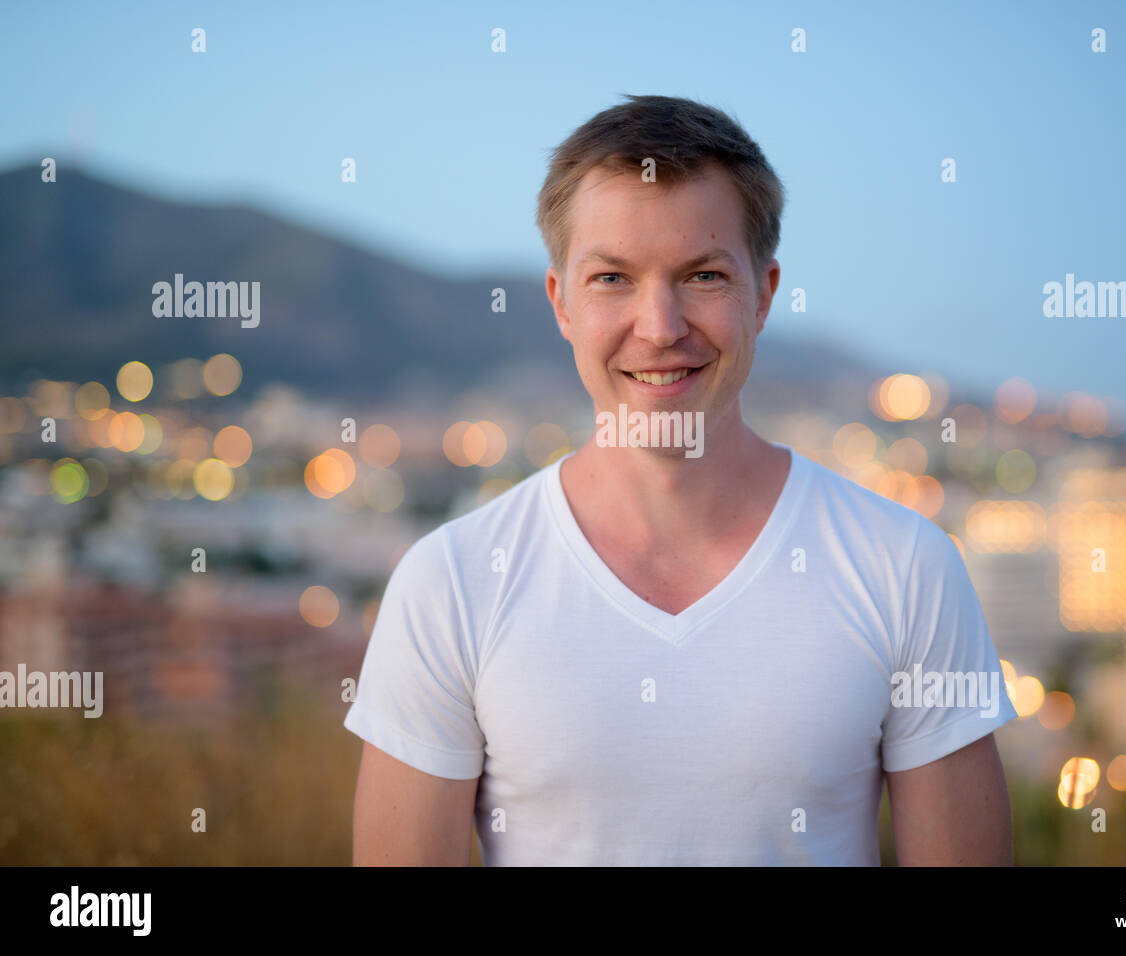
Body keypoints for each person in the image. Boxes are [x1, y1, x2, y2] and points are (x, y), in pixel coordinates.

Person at [346, 94, 1016, 865]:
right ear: (562, 303)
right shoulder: (450, 583)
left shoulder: (906, 568)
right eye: (612, 279)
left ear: (762, 295)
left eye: (701, 275)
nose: (660, 327)